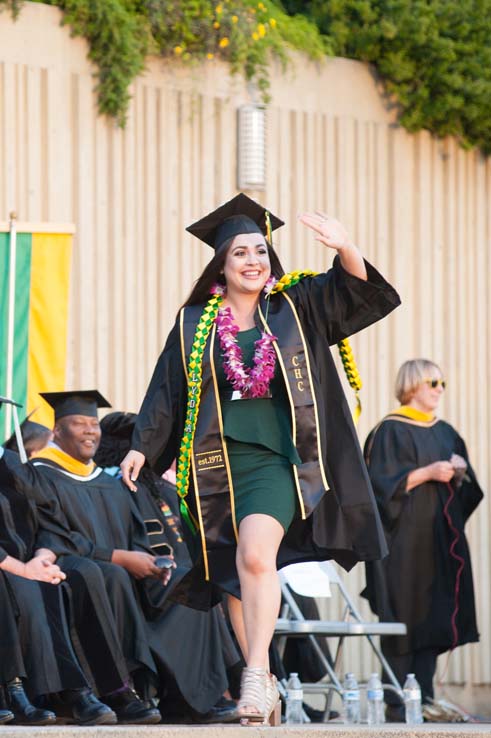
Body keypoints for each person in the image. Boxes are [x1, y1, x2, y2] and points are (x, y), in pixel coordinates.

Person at [120, 193, 401, 725]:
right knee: (233, 570)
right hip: (215, 465)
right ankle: (264, 683)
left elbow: (357, 293)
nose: (254, 261)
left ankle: (253, 674)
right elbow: (166, 392)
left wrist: (346, 247)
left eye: (261, 251)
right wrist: (141, 445)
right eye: (241, 254)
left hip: (280, 461)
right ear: (220, 268)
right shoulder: (193, 325)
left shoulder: (296, 306)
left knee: (253, 555)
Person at [95, 410, 241, 723]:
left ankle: (210, 696)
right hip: (139, 582)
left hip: (170, 577)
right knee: (194, 598)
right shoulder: (112, 486)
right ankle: (198, 701)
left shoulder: (158, 486)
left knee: (209, 588)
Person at [362, 359, 483, 720]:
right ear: (412, 384)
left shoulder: (446, 432)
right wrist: (426, 473)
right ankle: (398, 703)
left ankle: (425, 699)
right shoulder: (389, 431)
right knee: (403, 616)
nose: (440, 389)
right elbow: (376, 490)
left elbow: (469, 492)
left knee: (434, 615)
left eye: (442, 382)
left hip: (440, 541)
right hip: (401, 545)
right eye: (433, 382)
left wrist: (459, 475)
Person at [0, 405, 115, 726]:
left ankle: (82, 691)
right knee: (27, 587)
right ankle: (18, 691)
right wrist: (22, 569)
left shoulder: (13, 465)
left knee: (66, 580)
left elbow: (50, 518)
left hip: (30, 563)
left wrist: (42, 557)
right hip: (8, 569)